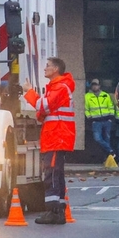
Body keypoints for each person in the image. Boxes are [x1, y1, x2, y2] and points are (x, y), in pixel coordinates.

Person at [22, 57, 76, 225]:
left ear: (56, 69)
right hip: (56, 137)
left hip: (56, 137)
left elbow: (42, 107)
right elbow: (43, 112)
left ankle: (53, 211)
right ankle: (58, 210)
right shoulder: (58, 87)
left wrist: (28, 92)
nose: (45, 69)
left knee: (51, 174)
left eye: (47, 66)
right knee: (56, 174)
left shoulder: (59, 87)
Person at [84, 78, 117, 161]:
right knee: (97, 138)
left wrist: (111, 117)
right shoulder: (87, 96)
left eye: (96, 85)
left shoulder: (105, 95)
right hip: (96, 121)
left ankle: (108, 158)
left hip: (107, 120)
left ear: (99, 86)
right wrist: (89, 117)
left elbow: (111, 106)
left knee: (107, 138)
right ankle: (111, 151)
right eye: (93, 85)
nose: (95, 87)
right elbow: (86, 109)